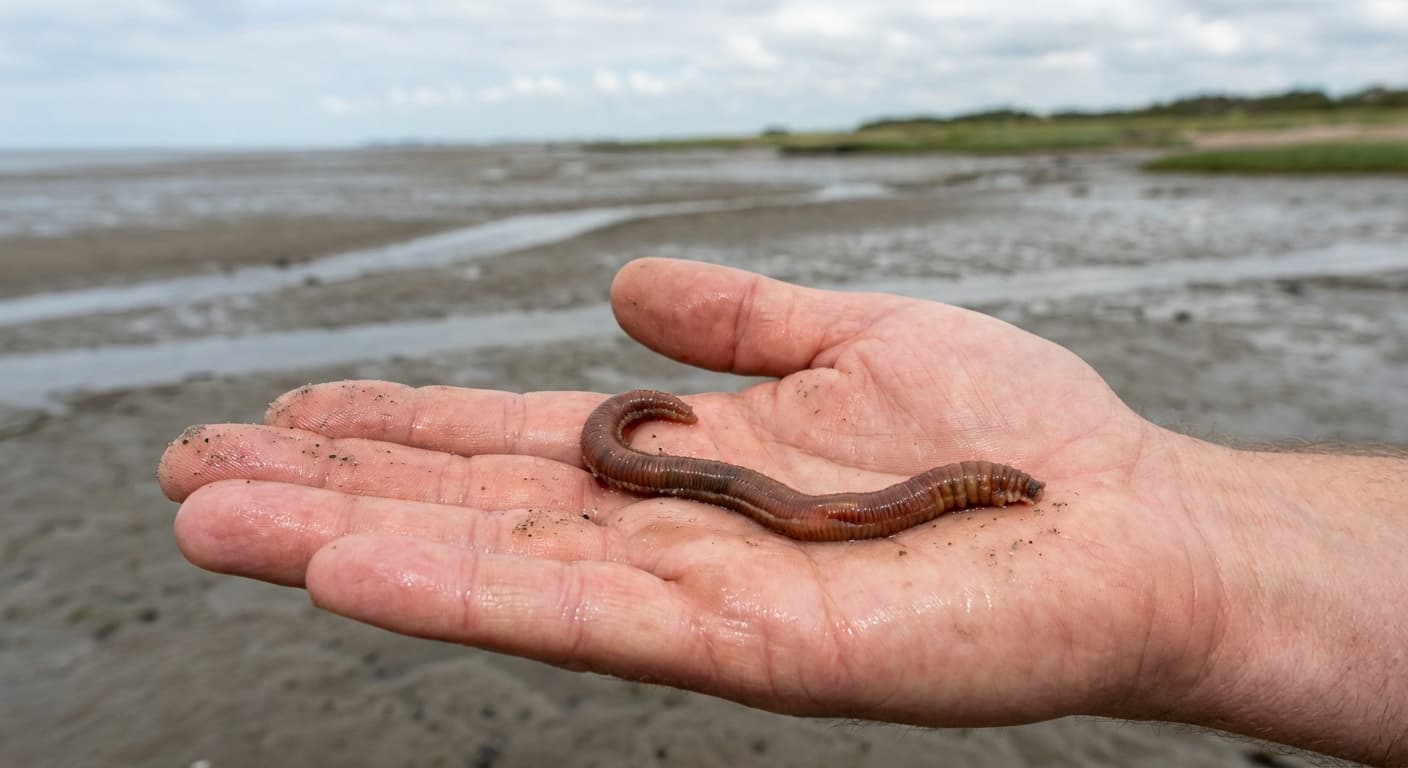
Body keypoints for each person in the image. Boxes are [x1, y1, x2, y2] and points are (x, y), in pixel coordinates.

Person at [158, 257, 1407, 767]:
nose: (989, 496)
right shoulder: (657, 454)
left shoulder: (972, 488)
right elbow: (730, 486)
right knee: (807, 506)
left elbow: (848, 513)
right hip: (721, 474)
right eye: (990, 487)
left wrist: (1198, 539)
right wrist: (629, 435)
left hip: (778, 492)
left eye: (986, 490)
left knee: (832, 510)